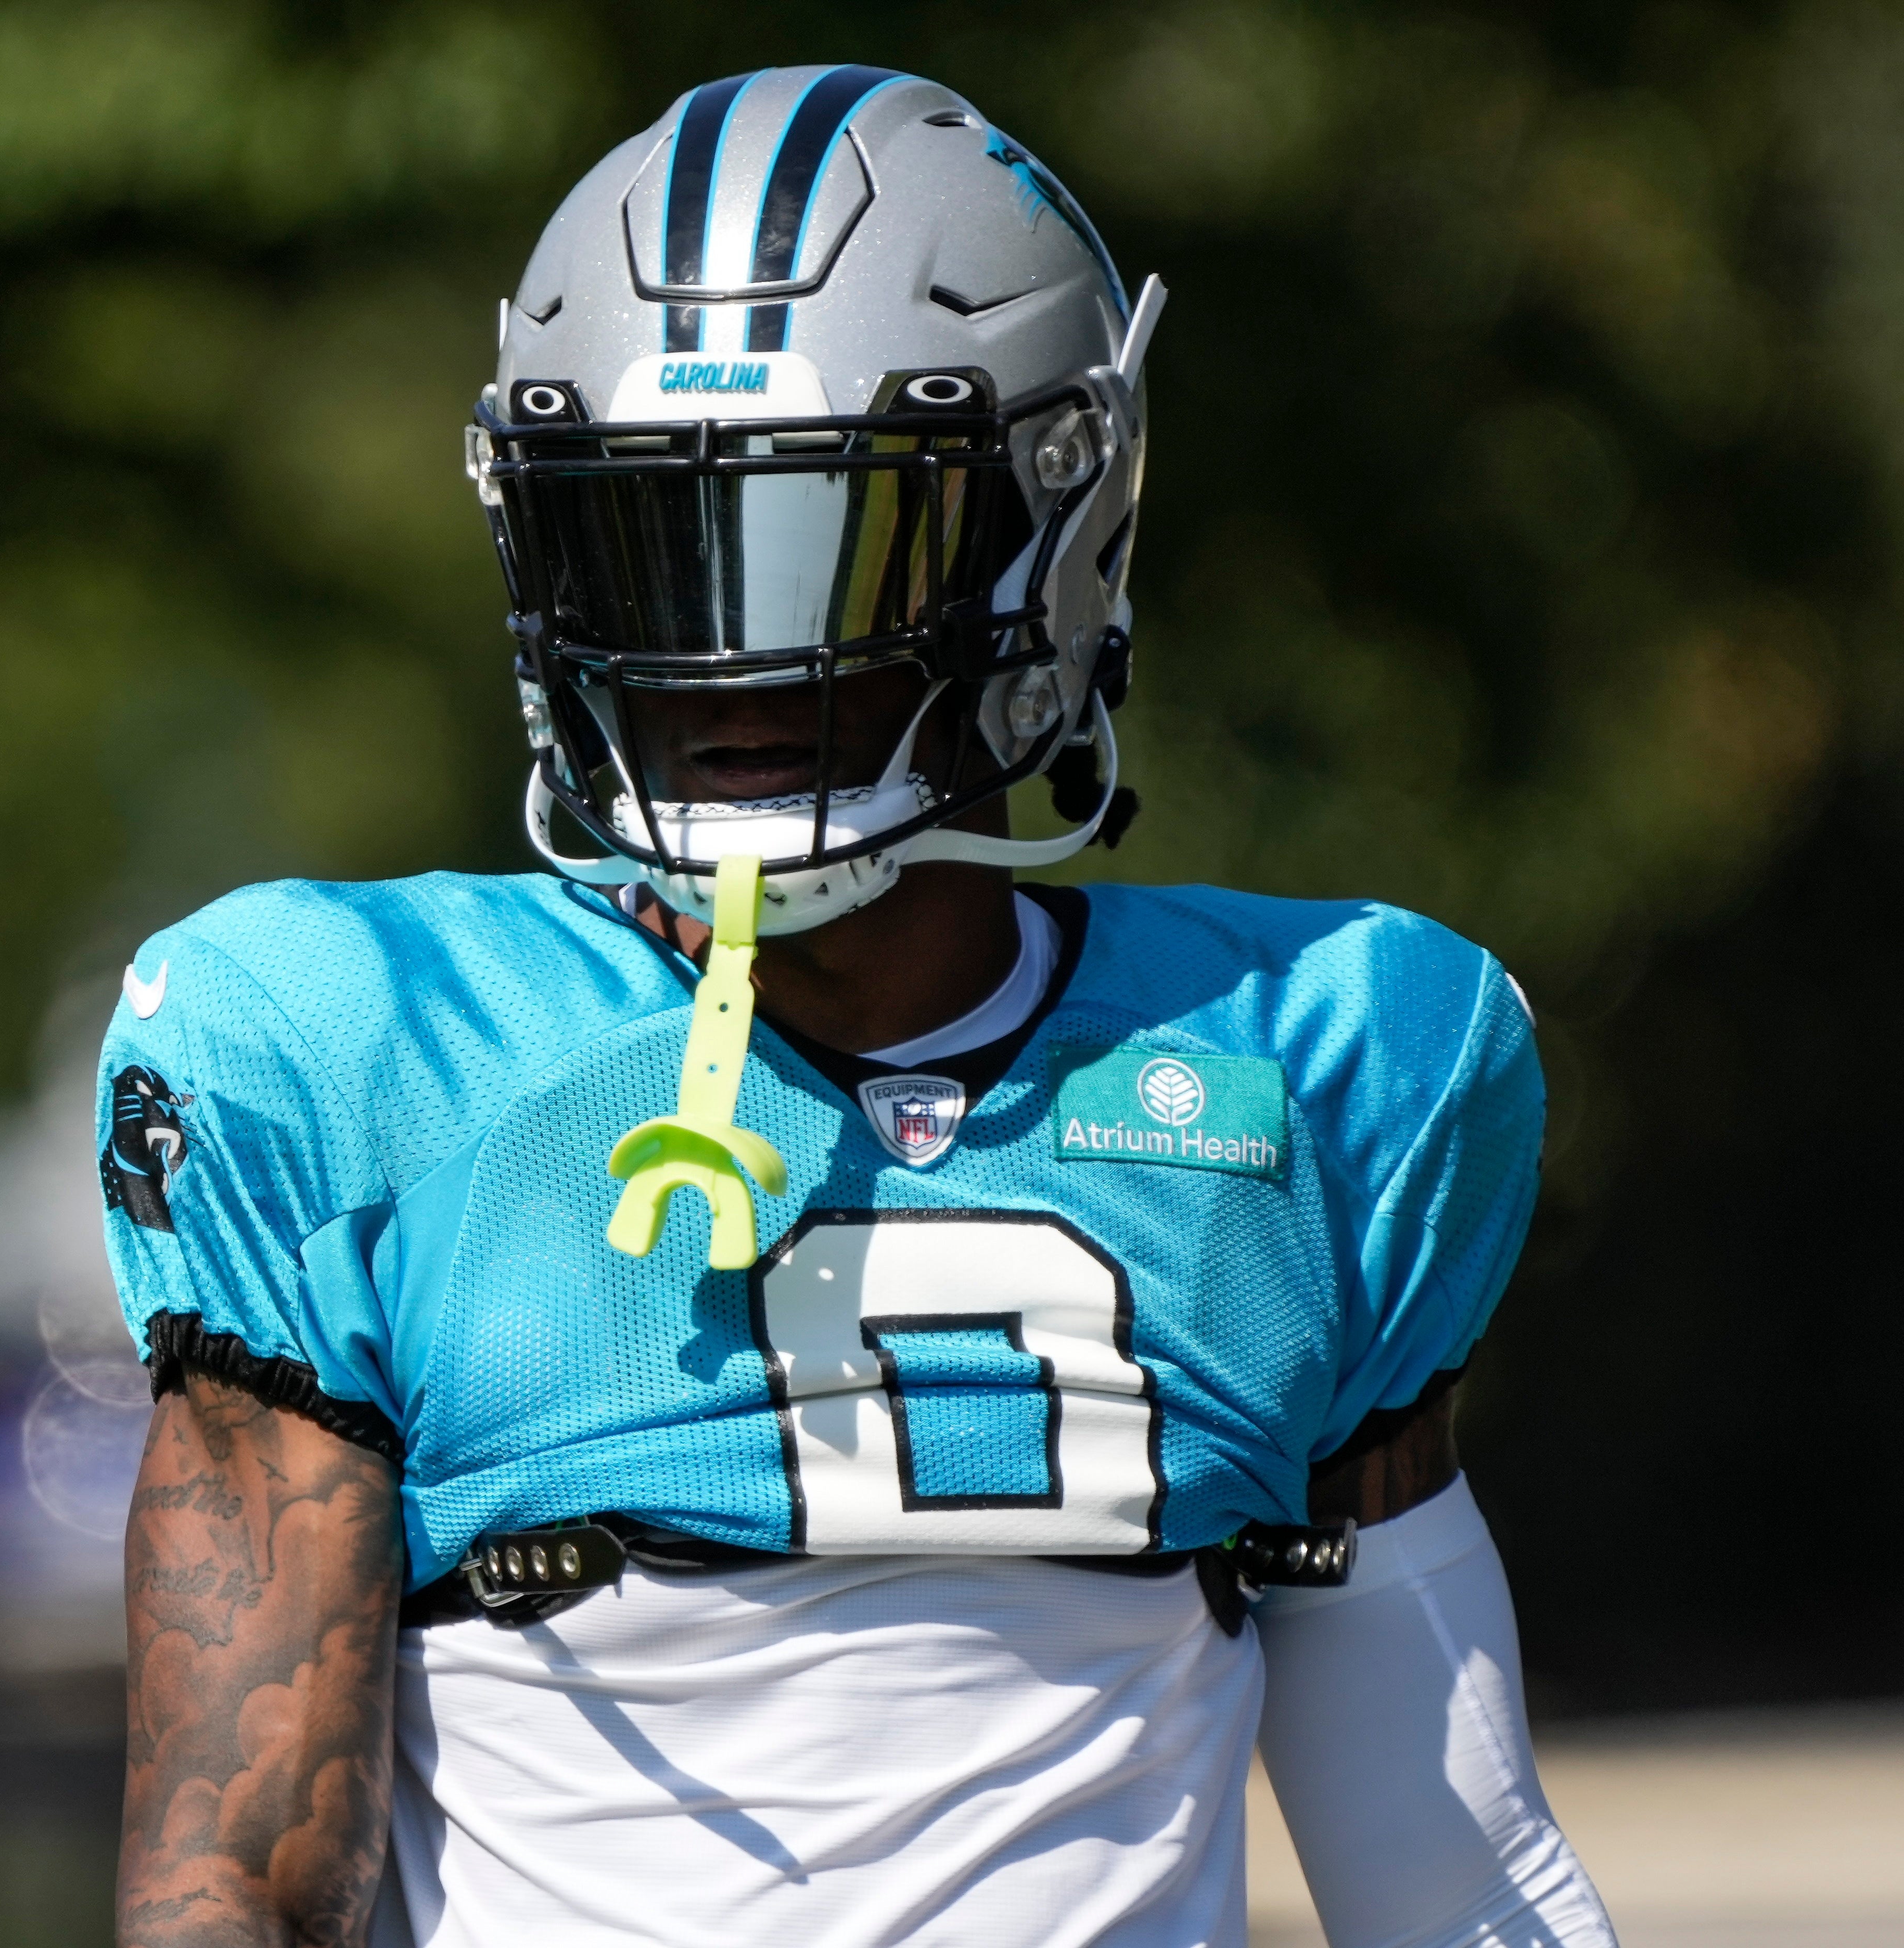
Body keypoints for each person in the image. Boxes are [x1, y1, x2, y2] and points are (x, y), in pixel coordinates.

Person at [99, 65, 1617, 1948]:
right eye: (657, 547)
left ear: (1056, 524)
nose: (734, 656)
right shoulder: (354, 1051)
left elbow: (1454, 1875)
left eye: (840, 542)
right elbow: (235, 1890)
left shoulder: (1329, 1060)